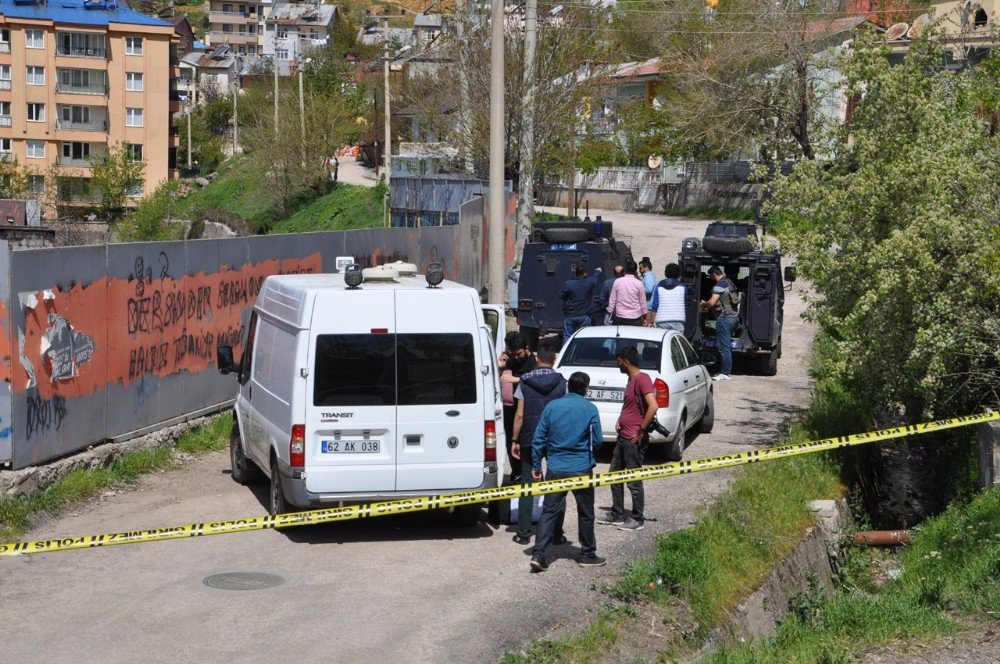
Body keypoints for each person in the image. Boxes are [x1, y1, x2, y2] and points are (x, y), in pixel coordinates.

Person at [529, 371, 606, 571]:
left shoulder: (552, 407)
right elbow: (598, 440)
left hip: (555, 467)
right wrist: (587, 454)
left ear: (568, 386)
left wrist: (537, 466)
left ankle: (539, 555)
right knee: (586, 513)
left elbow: (538, 439)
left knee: (549, 512)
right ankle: (587, 555)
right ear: (586, 389)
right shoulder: (590, 408)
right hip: (581, 468)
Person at [510, 345, 567, 545]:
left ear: (536, 360)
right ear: (553, 361)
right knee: (557, 485)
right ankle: (556, 533)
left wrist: (515, 440)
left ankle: (524, 534)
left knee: (527, 484)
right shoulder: (562, 383)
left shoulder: (524, 382)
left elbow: (519, 414)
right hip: (555, 438)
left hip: (529, 437)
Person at [598, 346, 658, 531]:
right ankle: (617, 514)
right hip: (623, 437)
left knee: (633, 480)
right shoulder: (631, 380)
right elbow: (631, 405)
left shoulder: (642, 379)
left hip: (634, 440)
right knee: (614, 476)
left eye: (619, 361)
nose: (617, 364)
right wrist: (620, 419)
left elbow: (653, 406)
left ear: (626, 361)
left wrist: (640, 430)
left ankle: (637, 518)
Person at [499, 332, 537, 482]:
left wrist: (516, 379)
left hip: (527, 408)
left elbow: (537, 378)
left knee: (524, 441)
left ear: (526, 348)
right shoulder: (512, 358)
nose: (516, 357)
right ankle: (516, 471)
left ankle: (527, 472)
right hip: (510, 407)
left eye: (519, 354)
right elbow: (496, 368)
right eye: (512, 354)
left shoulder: (533, 361)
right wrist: (500, 362)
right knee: (510, 440)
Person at [699, 265, 739, 381]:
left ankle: (726, 373)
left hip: (725, 319)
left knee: (723, 348)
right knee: (727, 347)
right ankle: (726, 371)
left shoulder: (719, 285)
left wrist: (703, 303)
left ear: (713, 275)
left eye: (711, 277)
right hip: (734, 318)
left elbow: (712, 303)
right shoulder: (729, 282)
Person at [560, 265, 603, 340]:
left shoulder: (568, 284)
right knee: (584, 337)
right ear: (585, 273)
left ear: (576, 273)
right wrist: (598, 271)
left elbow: (561, 296)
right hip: (584, 315)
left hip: (570, 315)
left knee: (567, 336)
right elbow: (595, 277)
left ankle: (567, 351)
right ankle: (582, 351)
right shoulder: (590, 282)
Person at [646, 263, 687, 332]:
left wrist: (651, 321)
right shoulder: (683, 287)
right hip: (678, 319)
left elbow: (655, 306)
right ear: (678, 274)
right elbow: (685, 302)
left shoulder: (659, 286)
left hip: (662, 320)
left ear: (666, 274)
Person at [607, 260, 647, 326]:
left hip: (620, 316)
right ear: (635, 270)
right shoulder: (639, 283)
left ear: (625, 269)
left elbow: (612, 299)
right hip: (635, 317)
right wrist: (644, 314)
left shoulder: (618, 281)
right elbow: (642, 301)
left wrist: (610, 310)